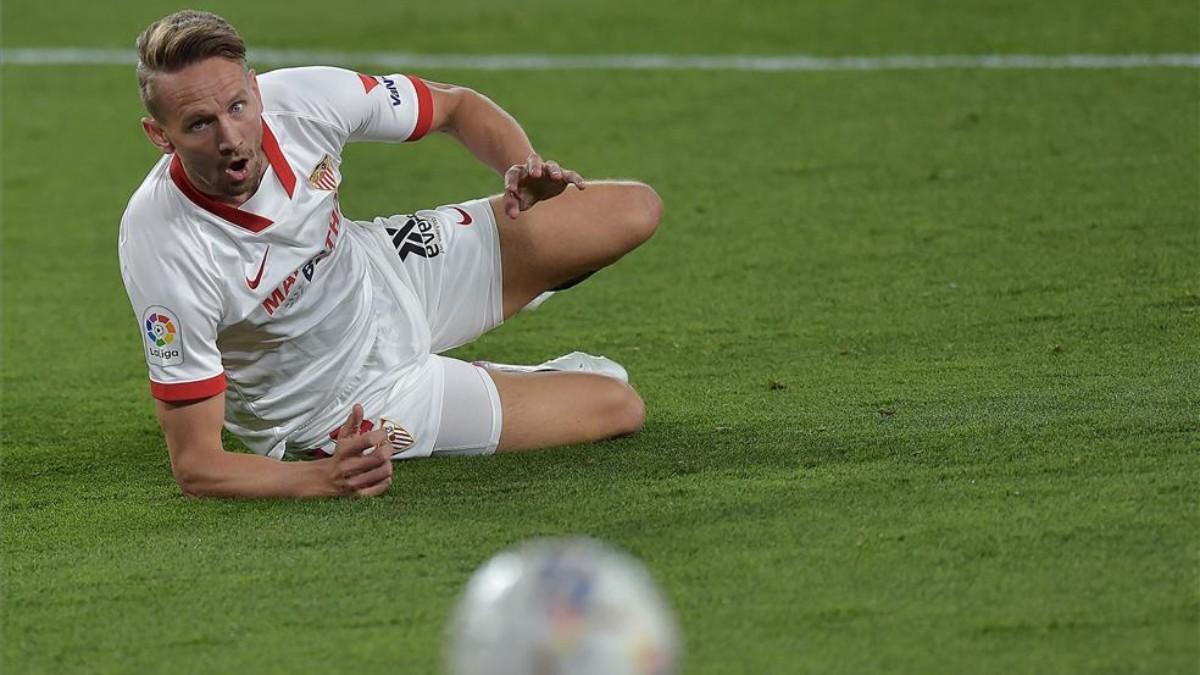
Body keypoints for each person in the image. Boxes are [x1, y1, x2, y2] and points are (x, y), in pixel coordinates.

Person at [119, 10, 661, 498]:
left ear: (257, 91)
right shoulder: (163, 245)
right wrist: (322, 479)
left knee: (635, 210)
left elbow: (457, 106)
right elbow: (197, 466)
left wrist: (521, 170)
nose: (231, 138)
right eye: (198, 124)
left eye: (238, 107)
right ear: (158, 135)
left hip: (385, 273)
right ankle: (513, 381)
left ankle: (516, 326)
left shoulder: (303, 102)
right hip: (336, 402)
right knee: (617, 406)